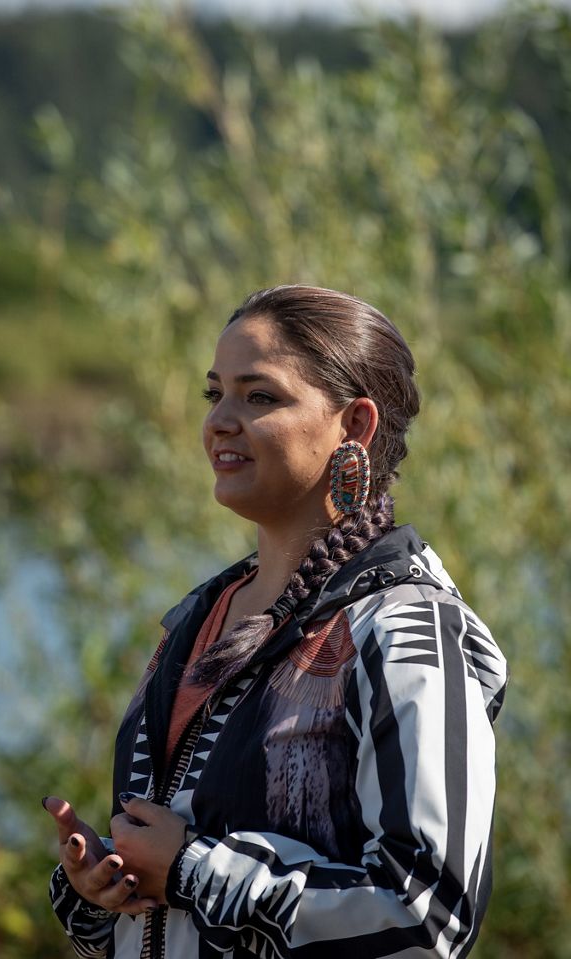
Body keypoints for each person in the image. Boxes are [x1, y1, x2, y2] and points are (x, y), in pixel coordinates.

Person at [43, 285, 508, 959]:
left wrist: (194, 869)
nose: (220, 421)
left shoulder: (408, 628)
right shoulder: (197, 620)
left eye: (260, 396)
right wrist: (108, 890)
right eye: (215, 394)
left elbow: (431, 914)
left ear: (356, 425)